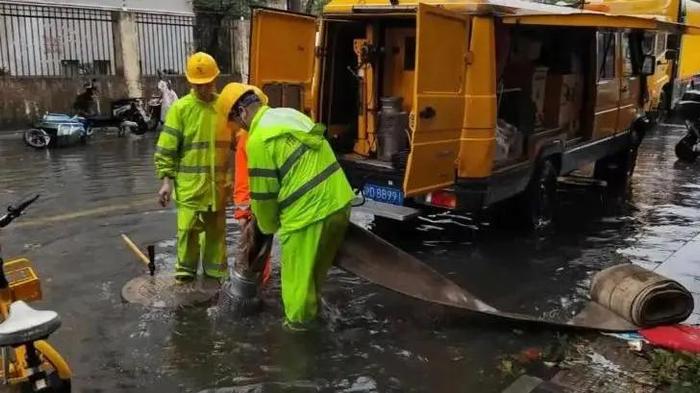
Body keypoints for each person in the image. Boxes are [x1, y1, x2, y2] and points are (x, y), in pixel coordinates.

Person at [224, 83, 355, 331]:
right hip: (340, 204)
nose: (240, 129)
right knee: (312, 282)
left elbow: (264, 201)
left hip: (307, 217)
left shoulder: (259, 139)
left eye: (236, 122)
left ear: (241, 112)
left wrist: (263, 229)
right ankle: (323, 329)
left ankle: (300, 350)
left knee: (295, 293)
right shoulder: (289, 114)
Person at [154, 52, 233, 282]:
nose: (203, 89)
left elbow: (240, 145)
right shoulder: (180, 109)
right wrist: (166, 183)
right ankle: (184, 279)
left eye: (207, 84)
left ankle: (216, 279)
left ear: (215, 80)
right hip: (189, 191)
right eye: (198, 84)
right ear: (190, 82)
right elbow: (167, 149)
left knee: (217, 240)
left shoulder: (225, 107)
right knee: (187, 235)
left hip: (217, 191)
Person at [216, 83, 272, 287]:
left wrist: (242, 214)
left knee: (254, 256)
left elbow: (243, 181)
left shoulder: (247, 140)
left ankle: (257, 287)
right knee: (262, 252)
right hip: (270, 207)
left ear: (240, 114)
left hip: (256, 210)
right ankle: (261, 284)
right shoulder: (269, 128)